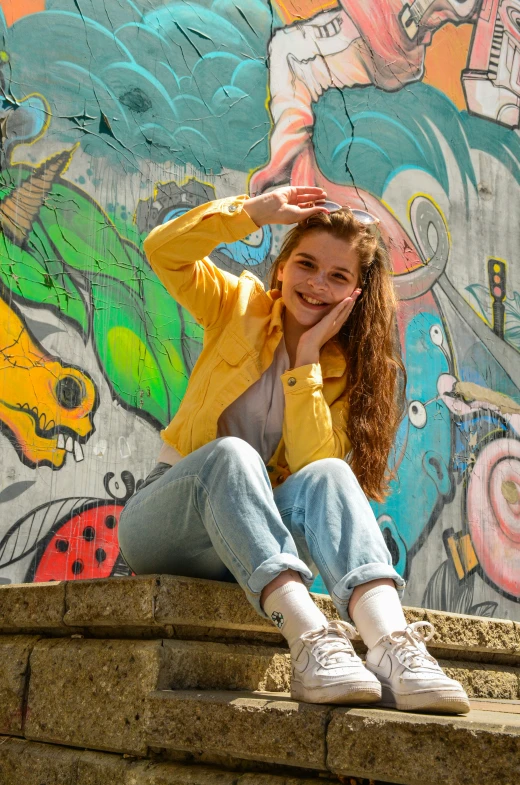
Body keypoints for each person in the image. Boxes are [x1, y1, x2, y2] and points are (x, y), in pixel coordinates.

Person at [118, 185, 470, 714]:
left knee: (330, 472)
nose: (317, 284)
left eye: (338, 276)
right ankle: (309, 641)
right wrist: (253, 212)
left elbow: (312, 472)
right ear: (280, 268)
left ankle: (394, 647)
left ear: (355, 293)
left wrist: (305, 362)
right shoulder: (235, 304)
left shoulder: (346, 374)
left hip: (258, 541)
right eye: (306, 264)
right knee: (233, 455)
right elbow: (163, 250)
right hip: (168, 524)